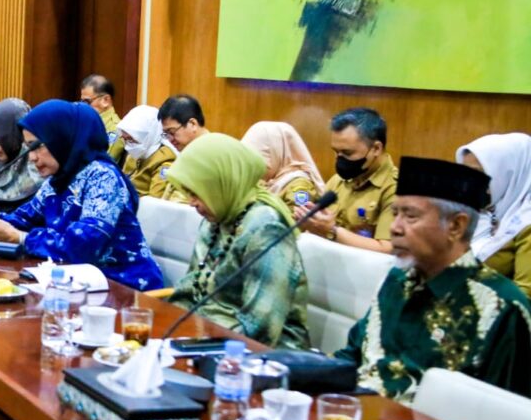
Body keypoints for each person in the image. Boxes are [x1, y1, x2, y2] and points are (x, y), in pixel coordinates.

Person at [335, 157, 531, 401]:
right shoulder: (397, 279)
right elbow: (352, 356)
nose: (395, 228)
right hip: (358, 410)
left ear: (456, 226)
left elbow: (505, 413)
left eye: (410, 216)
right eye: (395, 214)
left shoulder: (502, 307)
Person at [0, 100, 165, 291]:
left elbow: (83, 245)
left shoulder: (103, 177)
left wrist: (20, 237)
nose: (31, 157)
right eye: (28, 148)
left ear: (61, 139)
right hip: (77, 282)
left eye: (36, 146)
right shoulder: (58, 179)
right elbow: (23, 218)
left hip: (126, 285)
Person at [164, 134, 311, 349]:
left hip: (265, 353)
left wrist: (198, 341)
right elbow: (189, 289)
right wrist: (169, 328)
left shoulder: (266, 229)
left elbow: (261, 328)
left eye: (196, 193)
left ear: (220, 185)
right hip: (207, 334)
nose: (191, 203)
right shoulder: (217, 217)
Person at [298, 107, 396, 254]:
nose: (340, 159)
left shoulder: (395, 188)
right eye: (336, 152)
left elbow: (387, 249)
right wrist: (311, 222)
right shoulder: (338, 180)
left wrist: (331, 231)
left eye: (347, 153)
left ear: (376, 148)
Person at [456, 133, 531, 297]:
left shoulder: (526, 223)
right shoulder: (483, 212)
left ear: (508, 175)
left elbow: (526, 295)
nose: (469, 183)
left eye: (478, 174)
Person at [240, 121, 325, 208]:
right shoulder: (272, 180)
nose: (253, 169)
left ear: (277, 154)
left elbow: (297, 216)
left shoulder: (299, 185)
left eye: (258, 163)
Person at [116, 105, 178, 201]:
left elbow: (155, 201)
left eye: (131, 139)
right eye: (125, 139)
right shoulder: (135, 151)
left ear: (148, 135)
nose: (128, 145)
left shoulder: (165, 159)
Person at [79, 75, 125, 165]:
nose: (83, 106)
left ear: (105, 100)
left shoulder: (115, 129)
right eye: (82, 101)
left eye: (87, 102)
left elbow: (101, 163)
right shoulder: (86, 122)